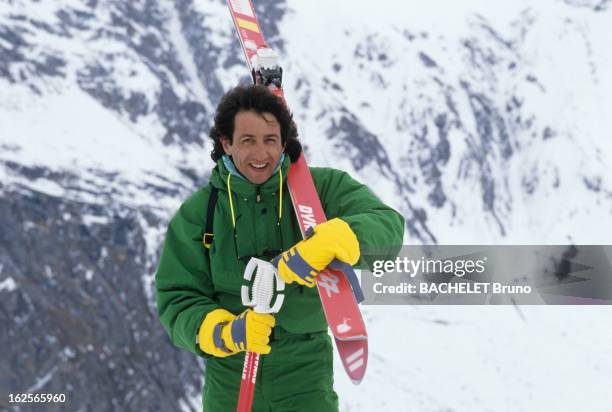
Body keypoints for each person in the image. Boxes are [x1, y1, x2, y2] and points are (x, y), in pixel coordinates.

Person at [155, 85, 404, 411]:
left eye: (270, 140)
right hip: (231, 377)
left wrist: (337, 239)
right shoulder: (200, 213)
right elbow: (177, 298)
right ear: (226, 144)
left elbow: (387, 226)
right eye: (248, 140)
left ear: (284, 143)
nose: (261, 154)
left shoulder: (321, 190)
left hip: (306, 373)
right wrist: (225, 333)